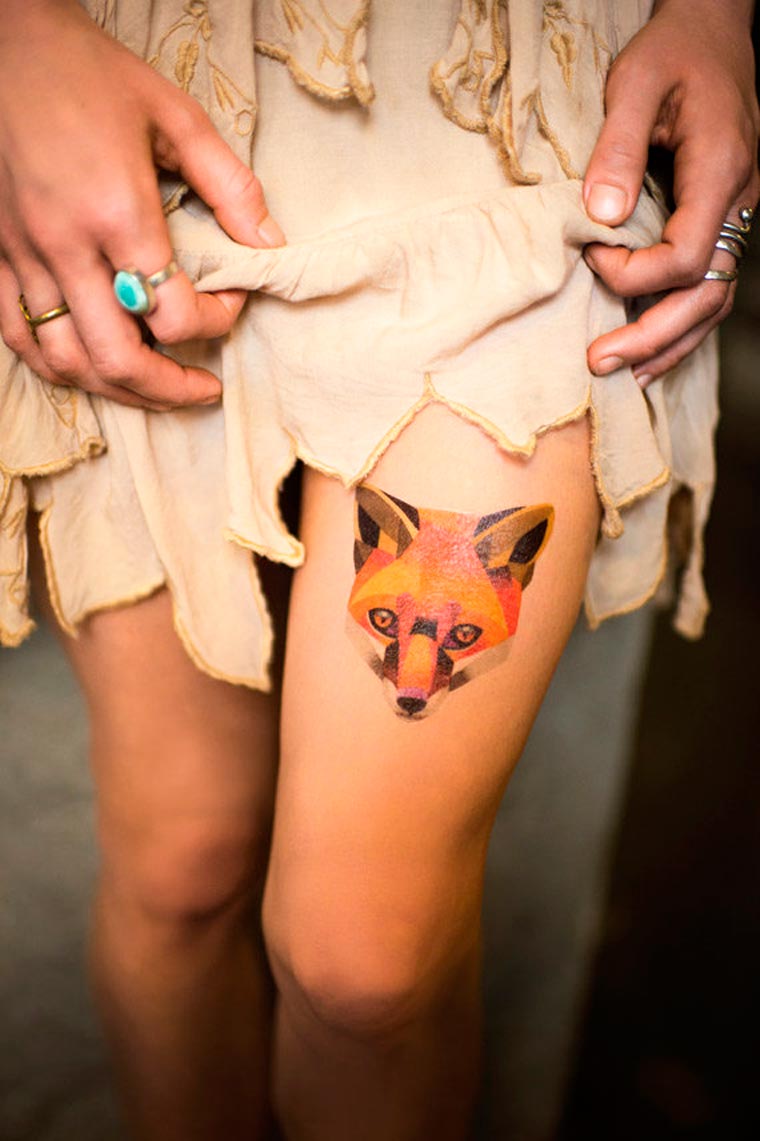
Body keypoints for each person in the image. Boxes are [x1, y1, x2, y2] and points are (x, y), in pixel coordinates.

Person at [0, 2, 757, 1139]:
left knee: (362, 966)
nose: (413, 667)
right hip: (135, 93)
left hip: (497, 132)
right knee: (179, 868)